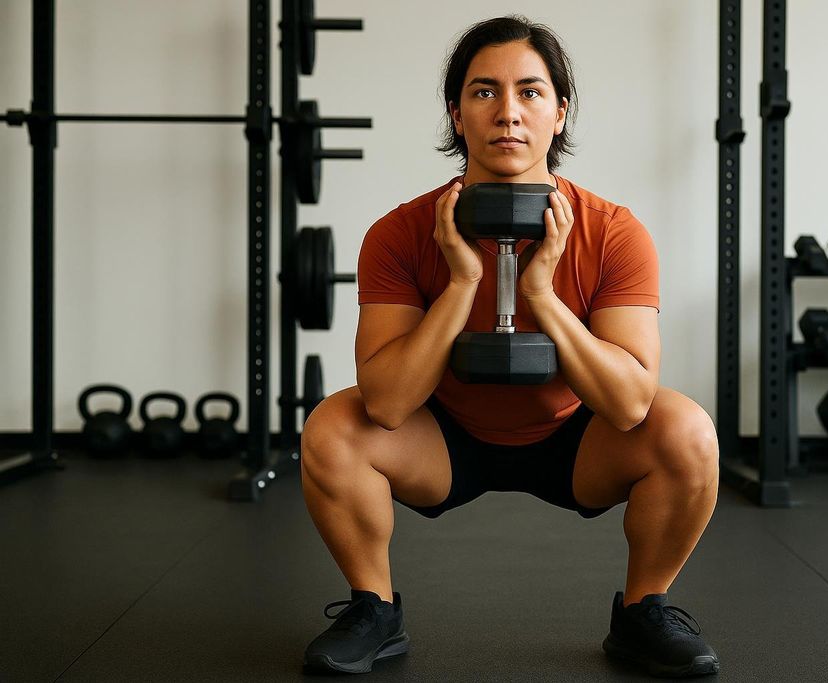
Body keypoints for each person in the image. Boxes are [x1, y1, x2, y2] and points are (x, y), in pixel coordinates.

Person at [299, 15, 720, 678]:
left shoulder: (614, 232)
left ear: (559, 112)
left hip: (576, 437)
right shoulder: (400, 233)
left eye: (529, 92)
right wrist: (463, 279)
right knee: (333, 427)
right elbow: (384, 402)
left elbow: (632, 402)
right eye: (484, 92)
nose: (508, 113)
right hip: (443, 437)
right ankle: (373, 609)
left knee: (687, 430)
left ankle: (645, 611)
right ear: (455, 113)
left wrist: (545, 294)